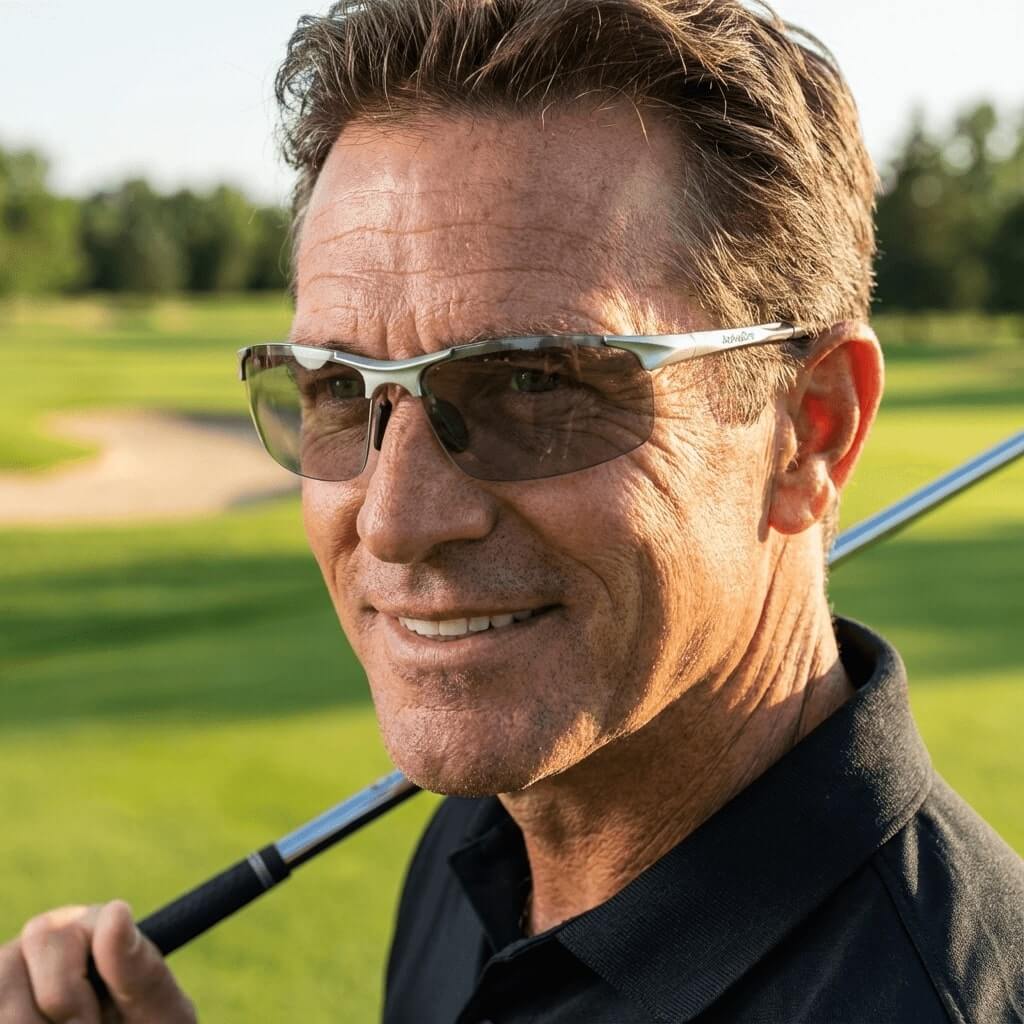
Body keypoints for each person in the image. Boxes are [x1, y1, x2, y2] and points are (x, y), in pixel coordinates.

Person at [2, 0, 1021, 1021]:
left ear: (809, 430)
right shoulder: (481, 840)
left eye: (533, 383)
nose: (393, 521)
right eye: (338, 388)